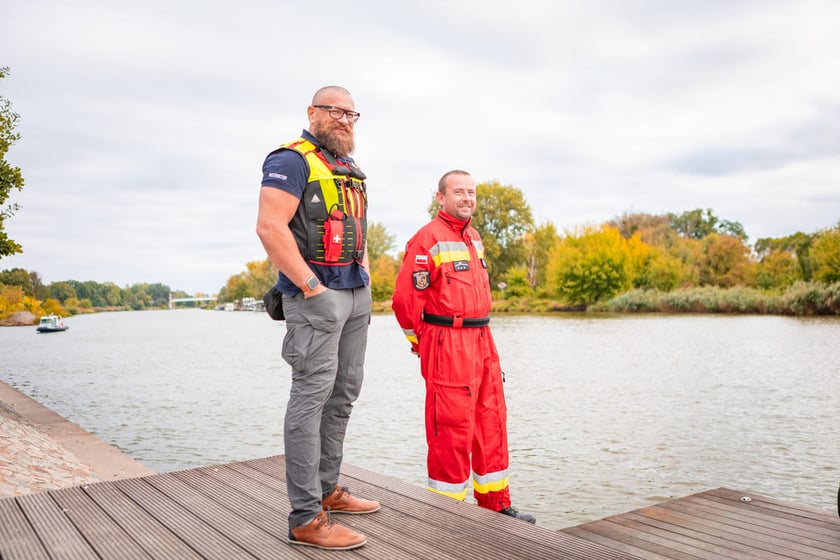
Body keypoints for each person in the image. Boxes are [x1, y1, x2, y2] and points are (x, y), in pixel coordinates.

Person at [256, 85, 379, 551]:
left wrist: (364, 274)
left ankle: (329, 488)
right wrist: (311, 287)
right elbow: (269, 227)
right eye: (334, 110)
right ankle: (306, 516)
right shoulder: (290, 160)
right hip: (316, 299)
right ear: (312, 112)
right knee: (310, 398)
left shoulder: (348, 167)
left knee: (344, 393)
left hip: (354, 293)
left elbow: (357, 228)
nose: (344, 119)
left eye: (351, 113)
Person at [391, 170, 536, 524]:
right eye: (459, 192)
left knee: (491, 422)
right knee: (451, 430)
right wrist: (423, 344)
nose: (467, 198)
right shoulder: (426, 240)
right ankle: (447, 514)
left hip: (483, 340)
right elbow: (404, 302)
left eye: (471, 192)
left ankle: (496, 506)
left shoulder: (473, 237)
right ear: (441, 198)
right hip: (448, 343)